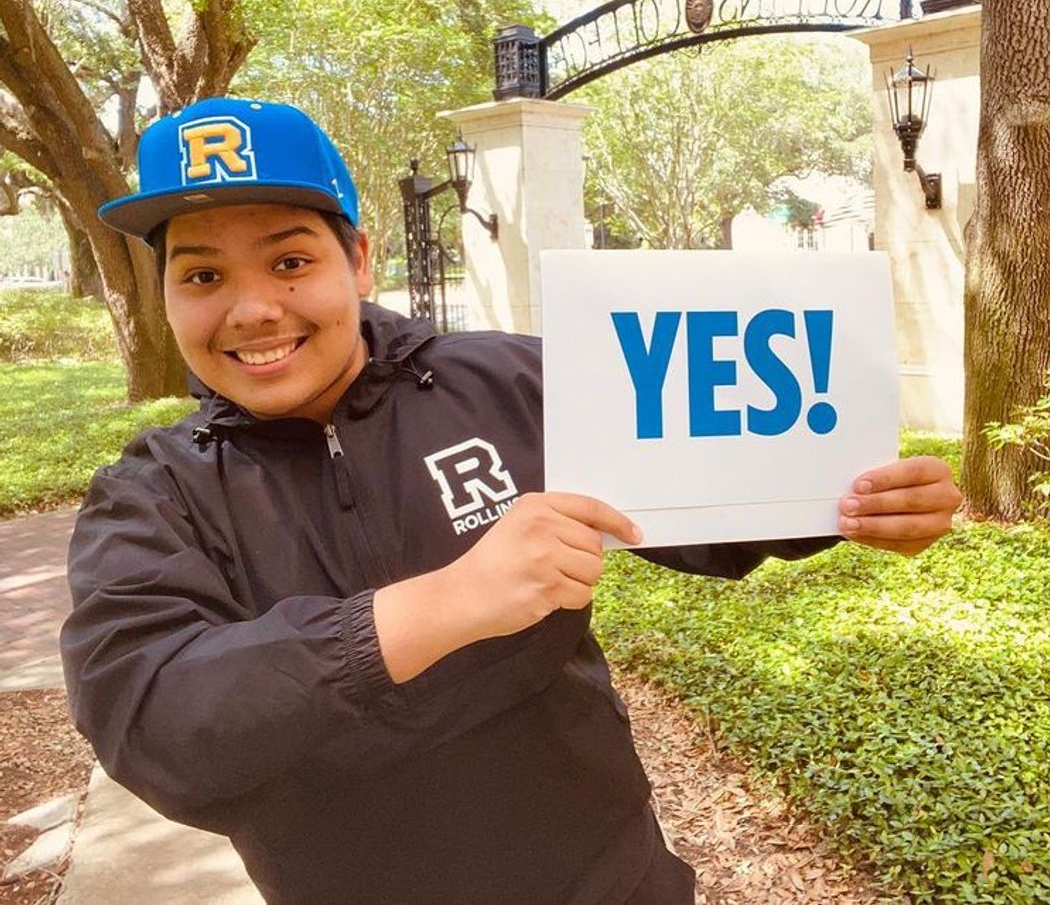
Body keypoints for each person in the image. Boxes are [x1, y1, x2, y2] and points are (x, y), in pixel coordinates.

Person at [61, 97, 960, 904]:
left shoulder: (513, 381)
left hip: (612, 880)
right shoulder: (152, 496)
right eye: (204, 276)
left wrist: (845, 503)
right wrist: (443, 605)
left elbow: (695, 497)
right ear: (169, 296)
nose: (254, 309)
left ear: (359, 260)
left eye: (290, 260)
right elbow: (155, 724)